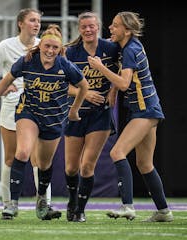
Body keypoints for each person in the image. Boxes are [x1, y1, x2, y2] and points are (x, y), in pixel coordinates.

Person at [0, 24, 89, 220]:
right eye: (47, 46)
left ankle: (42, 200)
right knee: (22, 152)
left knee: (44, 165)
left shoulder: (65, 66)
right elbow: (6, 80)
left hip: (53, 118)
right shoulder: (27, 60)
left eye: (55, 47)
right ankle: (12, 204)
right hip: (29, 112)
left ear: (60, 49)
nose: (50, 51)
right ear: (40, 45)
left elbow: (83, 86)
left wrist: (74, 110)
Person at [88, 11, 173, 222]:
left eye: (115, 25)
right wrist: (112, 92)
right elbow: (125, 79)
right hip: (147, 108)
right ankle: (164, 211)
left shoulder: (130, 50)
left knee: (117, 152)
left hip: (145, 110)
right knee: (145, 164)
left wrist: (99, 67)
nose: (110, 28)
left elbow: (125, 83)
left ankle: (127, 206)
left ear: (127, 30)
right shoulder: (128, 45)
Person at [64, 11, 119, 222]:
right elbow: (63, 85)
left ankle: (80, 209)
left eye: (92, 26)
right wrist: (84, 92)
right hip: (76, 112)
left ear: (98, 27)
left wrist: (113, 89)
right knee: (71, 167)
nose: (88, 30)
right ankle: (72, 200)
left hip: (100, 115)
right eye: (84, 27)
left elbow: (124, 72)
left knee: (87, 165)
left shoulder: (111, 49)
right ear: (79, 29)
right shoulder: (71, 53)